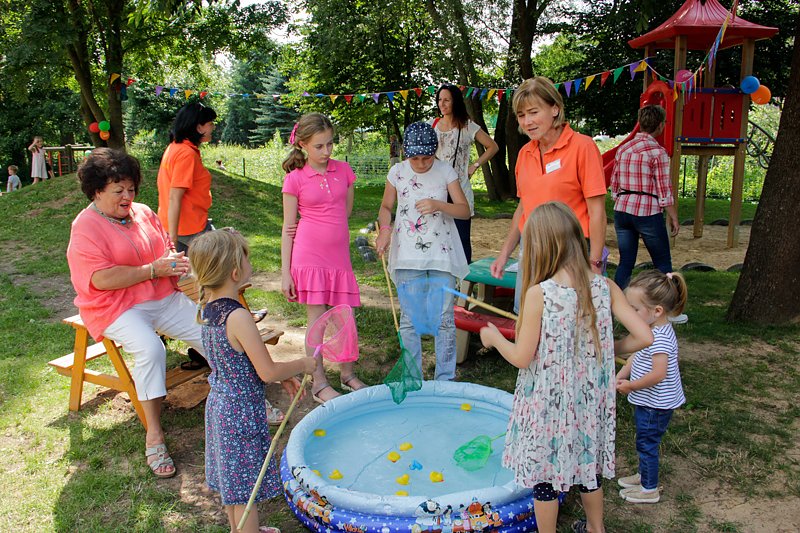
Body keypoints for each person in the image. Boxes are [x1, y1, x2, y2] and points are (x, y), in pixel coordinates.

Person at [479, 202, 653, 533]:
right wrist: (605, 349)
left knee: (545, 477)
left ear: (539, 245)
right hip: (590, 402)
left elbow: (521, 357)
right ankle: (595, 528)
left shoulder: (539, 294)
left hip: (548, 404)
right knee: (589, 469)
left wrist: (493, 338)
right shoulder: (603, 285)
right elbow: (645, 335)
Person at [66, 148, 204, 479]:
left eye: (130, 189)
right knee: (150, 348)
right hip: (115, 307)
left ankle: (242, 395)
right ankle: (154, 435)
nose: (127, 196)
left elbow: (163, 251)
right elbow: (100, 279)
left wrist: (174, 263)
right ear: (97, 191)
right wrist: (152, 270)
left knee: (213, 330)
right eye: (118, 191)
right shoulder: (85, 227)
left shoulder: (142, 213)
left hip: (160, 296)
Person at [189, 229, 316, 533]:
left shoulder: (209, 311)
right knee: (246, 492)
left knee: (233, 486)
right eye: (246, 257)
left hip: (220, 406)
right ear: (235, 271)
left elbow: (242, 361)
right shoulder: (239, 317)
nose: (250, 262)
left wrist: (283, 377)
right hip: (240, 413)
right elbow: (267, 371)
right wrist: (303, 363)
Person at [490, 77, 607, 314]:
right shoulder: (525, 154)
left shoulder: (582, 147)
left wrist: (594, 263)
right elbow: (523, 208)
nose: (528, 121)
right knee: (528, 316)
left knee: (568, 316)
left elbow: (597, 212)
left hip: (571, 249)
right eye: (522, 115)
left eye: (533, 112)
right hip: (532, 249)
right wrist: (504, 255)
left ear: (555, 108)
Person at [376, 121, 470, 381]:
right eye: (414, 158)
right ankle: (413, 377)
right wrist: (385, 230)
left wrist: (439, 204)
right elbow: (386, 207)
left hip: (441, 253)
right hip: (407, 254)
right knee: (409, 320)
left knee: (444, 320)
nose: (420, 163)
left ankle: (445, 378)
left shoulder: (445, 171)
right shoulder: (397, 172)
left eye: (426, 158)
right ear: (407, 153)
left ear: (435, 150)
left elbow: (464, 210)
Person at [281, 113, 365, 403]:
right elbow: (288, 228)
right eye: (319, 146)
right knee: (317, 320)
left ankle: (348, 374)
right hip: (308, 257)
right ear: (303, 144)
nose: (327, 151)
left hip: (339, 258)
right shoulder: (294, 180)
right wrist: (285, 272)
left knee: (345, 318)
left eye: (330, 144)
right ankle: (318, 382)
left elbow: (346, 211)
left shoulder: (344, 170)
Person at [616, 269, 687, 504]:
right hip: (648, 400)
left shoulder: (661, 337)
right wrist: (621, 375)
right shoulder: (649, 331)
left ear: (657, 311)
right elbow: (636, 356)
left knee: (647, 443)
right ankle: (644, 475)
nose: (630, 314)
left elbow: (659, 373)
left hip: (657, 404)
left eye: (634, 309)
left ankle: (649, 489)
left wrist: (632, 385)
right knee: (643, 440)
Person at [611, 105, 680, 289]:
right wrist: (673, 216)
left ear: (640, 124)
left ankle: (616, 306)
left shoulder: (623, 149)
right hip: (647, 211)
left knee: (625, 261)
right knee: (662, 262)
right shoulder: (658, 152)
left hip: (622, 209)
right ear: (660, 125)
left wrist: (619, 198)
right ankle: (670, 307)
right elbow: (664, 189)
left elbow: (615, 183)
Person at [430, 84, 499, 264]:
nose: (442, 104)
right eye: (439, 100)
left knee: (461, 240)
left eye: (447, 100)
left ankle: (465, 281)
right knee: (438, 238)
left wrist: (474, 165)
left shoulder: (467, 126)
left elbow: (493, 147)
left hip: (460, 191)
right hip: (436, 191)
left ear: (455, 102)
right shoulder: (433, 125)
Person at [157, 102, 217, 254]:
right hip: (189, 229)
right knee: (221, 266)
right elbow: (174, 197)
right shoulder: (186, 154)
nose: (213, 128)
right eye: (210, 124)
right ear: (198, 128)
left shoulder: (175, 147)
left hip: (182, 226)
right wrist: (173, 239)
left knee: (189, 274)